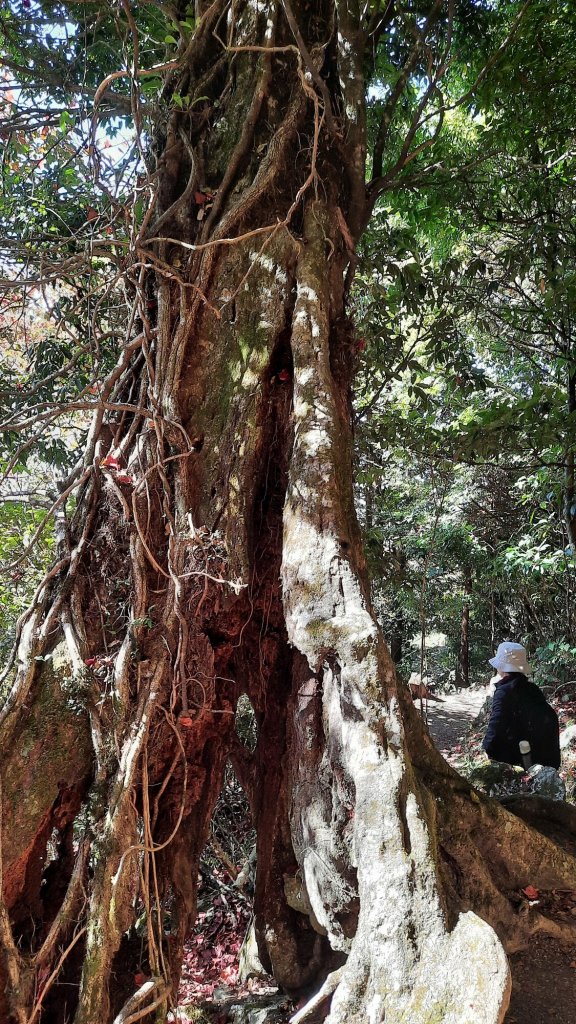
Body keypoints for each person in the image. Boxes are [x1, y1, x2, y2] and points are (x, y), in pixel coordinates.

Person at [482, 642, 560, 769]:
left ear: (502, 667)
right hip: (547, 757)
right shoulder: (532, 688)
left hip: (523, 758)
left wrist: (487, 749)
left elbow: (496, 724)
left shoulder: (504, 691)